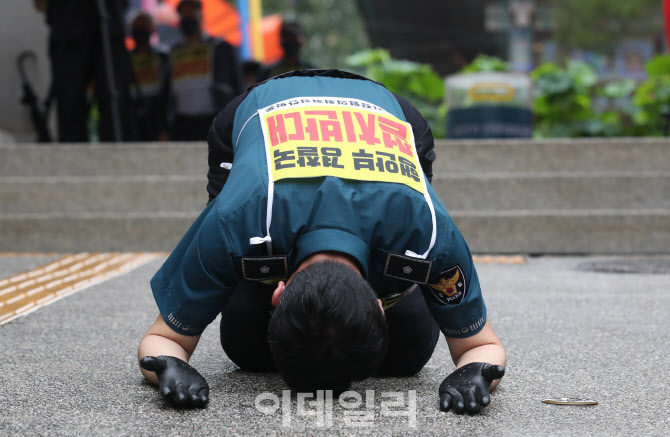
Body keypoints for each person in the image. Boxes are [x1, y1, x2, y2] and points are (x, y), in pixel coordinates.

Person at [138, 69, 506, 415]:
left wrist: (476, 373)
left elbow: (479, 347)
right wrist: (168, 369)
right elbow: (164, 339)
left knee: (407, 354)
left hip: (388, 112)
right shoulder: (236, 220)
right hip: (260, 108)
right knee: (245, 346)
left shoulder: (426, 230)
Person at [34, 0, 135, 142]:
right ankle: (73, 158)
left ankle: (117, 157)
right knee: (69, 101)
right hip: (68, 23)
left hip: (109, 22)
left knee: (114, 101)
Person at [167, 0, 243, 141]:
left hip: (214, 120)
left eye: (192, 16)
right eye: (185, 17)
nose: (188, 20)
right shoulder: (173, 53)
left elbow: (237, 86)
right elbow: (167, 91)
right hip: (182, 124)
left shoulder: (222, 48)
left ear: (201, 17)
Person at [128, 12, 170, 141]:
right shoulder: (126, 59)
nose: (140, 32)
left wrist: (164, 127)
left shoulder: (162, 56)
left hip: (156, 115)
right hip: (132, 117)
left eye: (144, 28)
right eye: (137, 28)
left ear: (152, 30)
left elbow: (167, 91)